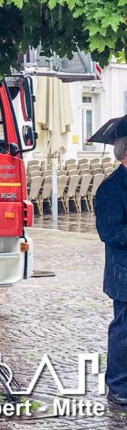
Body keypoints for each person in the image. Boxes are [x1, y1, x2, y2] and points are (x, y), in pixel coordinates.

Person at [95, 135, 127, 407]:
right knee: (124, 330)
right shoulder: (111, 188)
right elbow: (109, 231)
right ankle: (118, 386)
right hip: (124, 273)